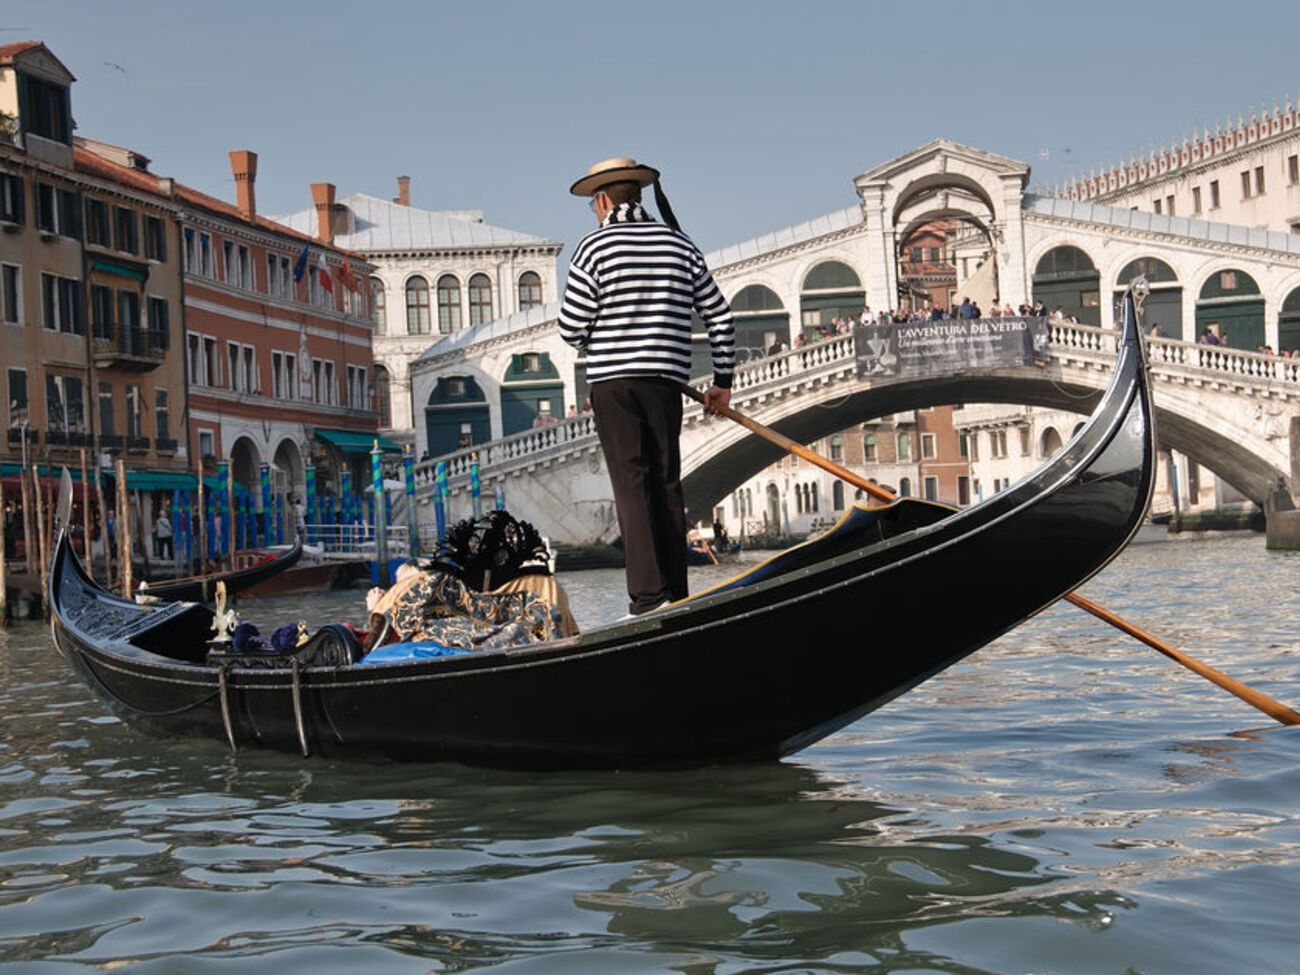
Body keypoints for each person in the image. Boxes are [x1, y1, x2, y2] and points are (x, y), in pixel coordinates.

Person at [558, 156, 735, 616]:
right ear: (637, 195)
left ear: (601, 200)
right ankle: (677, 591)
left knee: (632, 487)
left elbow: (571, 327)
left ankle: (647, 599)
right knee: (667, 484)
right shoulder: (679, 244)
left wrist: (609, 327)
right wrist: (723, 382)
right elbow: (719, 315)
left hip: (614, 385)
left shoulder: (594, 248)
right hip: (665, 384)